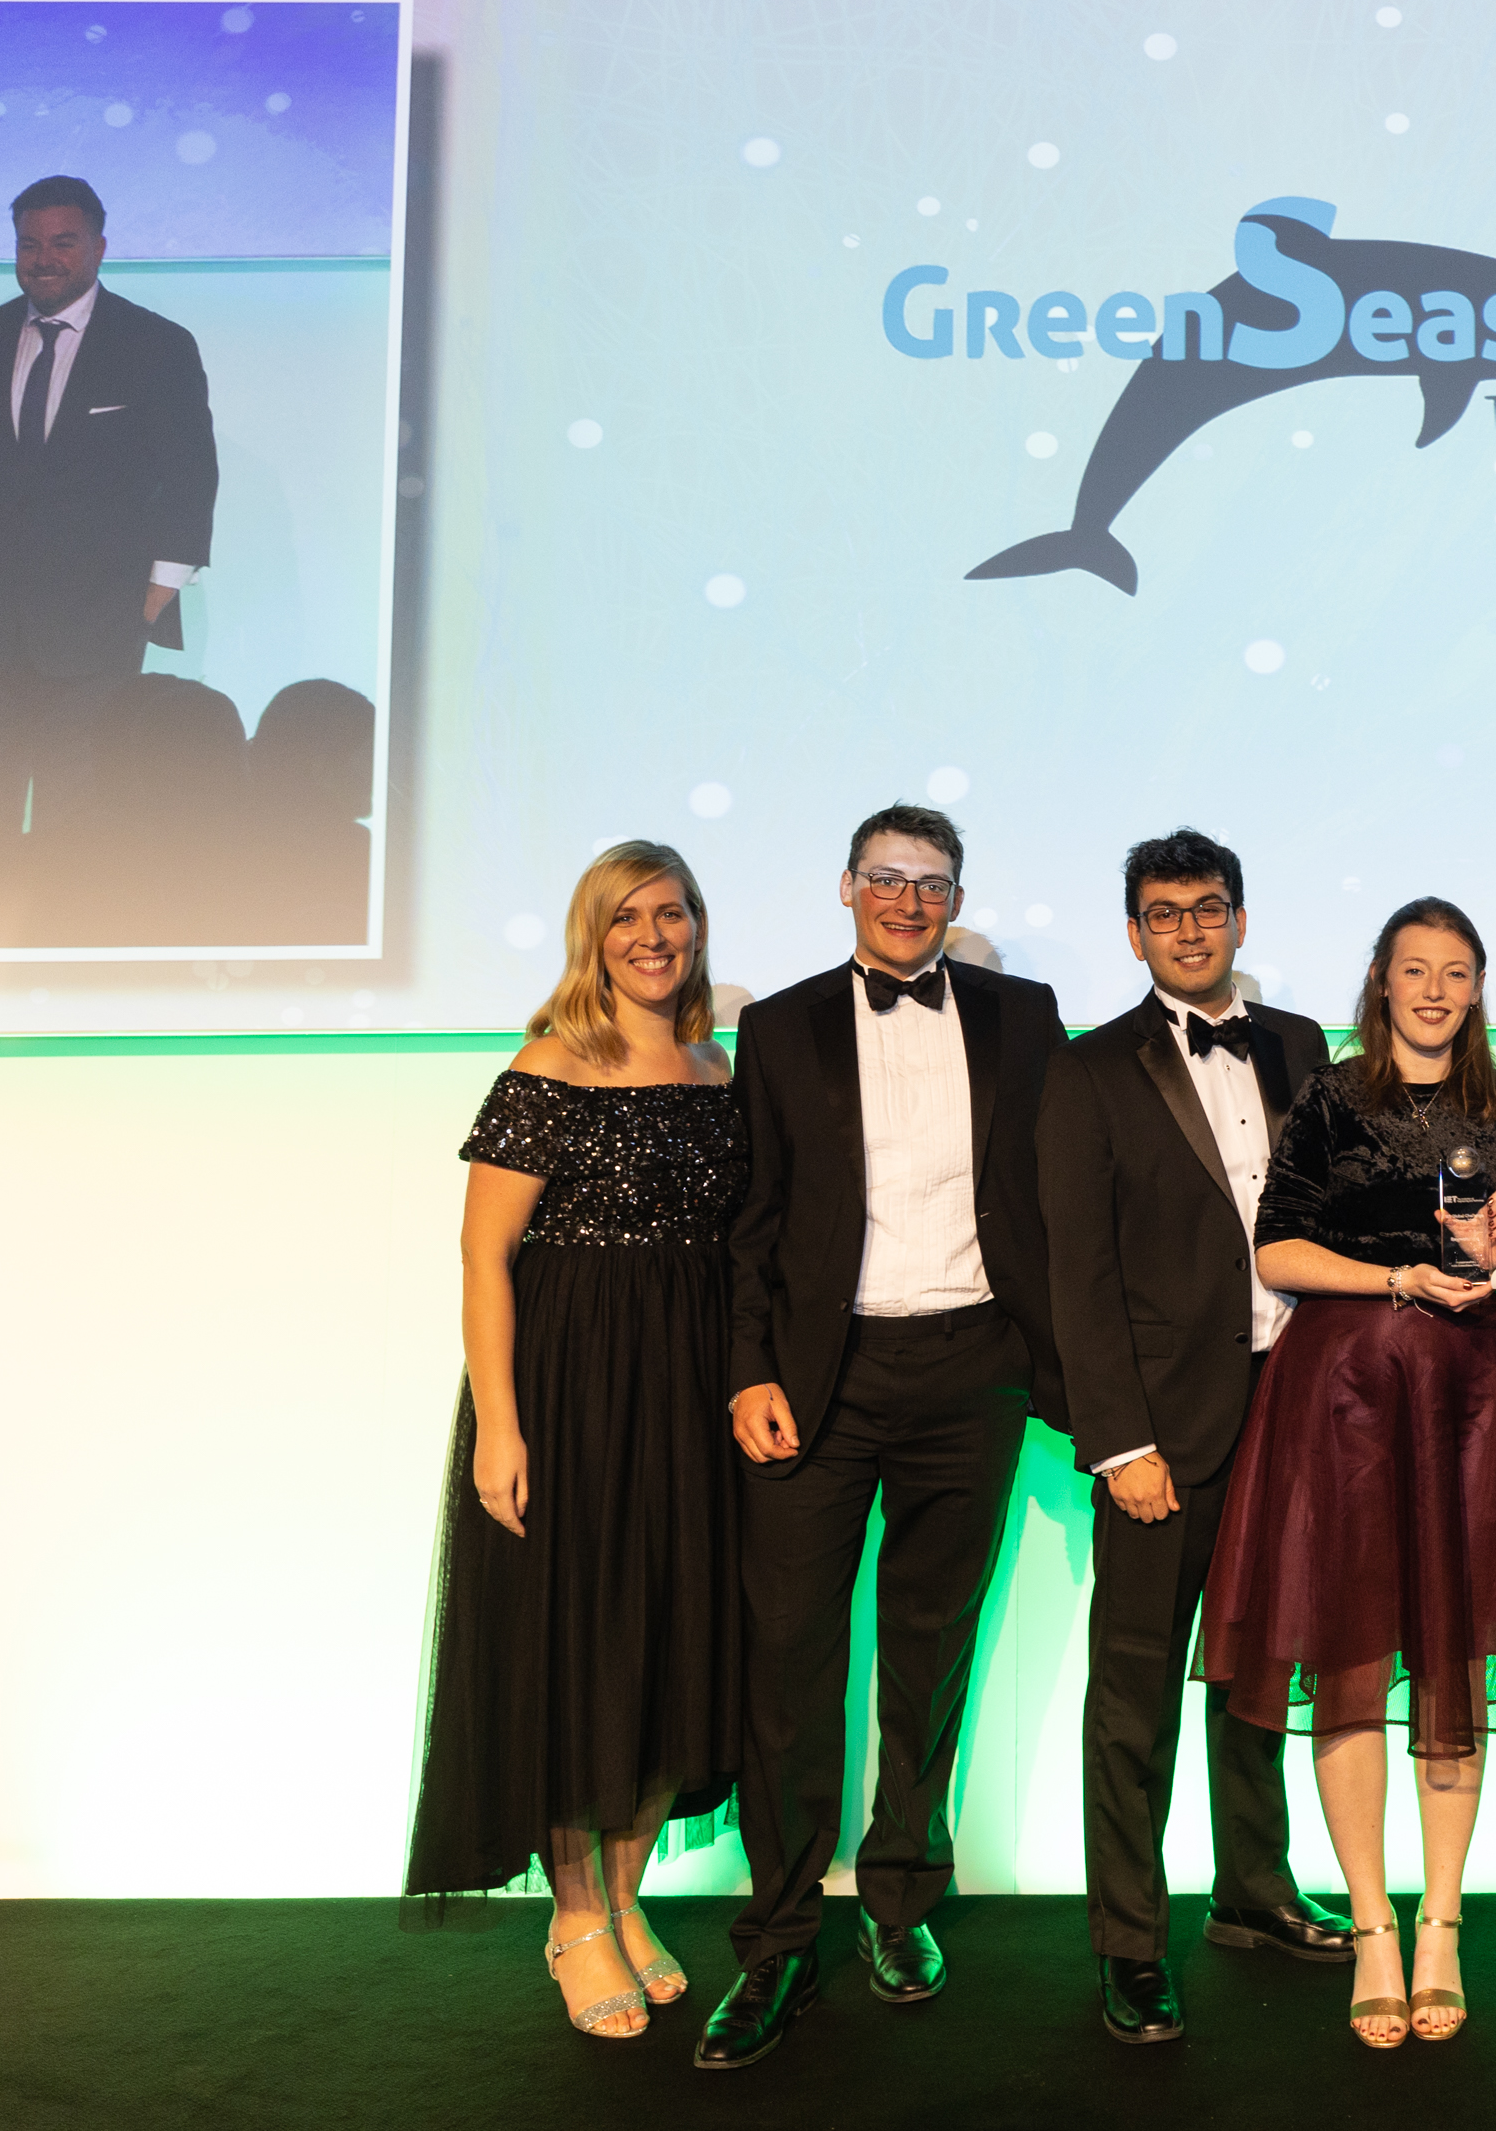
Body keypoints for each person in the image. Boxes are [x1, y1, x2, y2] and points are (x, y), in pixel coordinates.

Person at [1193, 896, 1496, 2049]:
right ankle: (1373, 1928)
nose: (1434, 989)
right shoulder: (1334, 1095)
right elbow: (1274, 1247)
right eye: (1413, 969)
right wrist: (1395, 1282)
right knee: (1347, 1661)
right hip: (1341, 1400)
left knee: (1450, 1656)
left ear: (1478, 989)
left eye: (1456, 972)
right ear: (1381, 982)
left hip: (1469, 1400)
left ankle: (1442, 1923)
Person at [695, 805, 1069, 2070]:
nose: (910, 900)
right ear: (845, 887)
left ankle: (901, 1898)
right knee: (789, 1656)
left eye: (934, 883)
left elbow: (1057, 1193)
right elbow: (752, 1216)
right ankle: (780, 1937)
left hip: (974, 1365)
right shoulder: (782, 1023)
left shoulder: (1026, 1018)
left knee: (928, 1652)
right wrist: (748, 1367)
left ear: (958, 898)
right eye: (887, 879)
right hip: (822, 1375)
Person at [404, 841, 745, 2043]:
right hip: (575, 1386)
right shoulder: (550, 1064)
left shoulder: (715, 1066)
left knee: (671, 1638)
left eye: (675, 913)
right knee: (580, 1640)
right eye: (628, 918)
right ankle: (575, 1918)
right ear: (592, 936)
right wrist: (501, 1422)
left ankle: (628, 1896)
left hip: (691, 1388)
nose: (655, 936)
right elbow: (484, 1255)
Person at [1036, 829, 1356, 2045]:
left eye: (1208, 907)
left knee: (1265, 1668)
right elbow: (1080, 1269)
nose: (1189, 928)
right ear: (1133, 932)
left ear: (1239, 917)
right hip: (1166, 1427)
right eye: (1164, 912)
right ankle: (1129, 1941)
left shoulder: (1301, 1047)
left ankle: (1256, 1891)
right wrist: (1120, 1442)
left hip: (1300, 1408)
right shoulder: (1087, 1069)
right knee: (1133, 1692)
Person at [0, 174, 218, 947]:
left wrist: (156, 592)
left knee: (74, 806)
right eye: (29, 244)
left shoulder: (155, 343)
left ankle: (61, 960)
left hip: (100, 625)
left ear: (98, 246)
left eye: (62, 242)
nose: (43, 259)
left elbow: (190, 473)